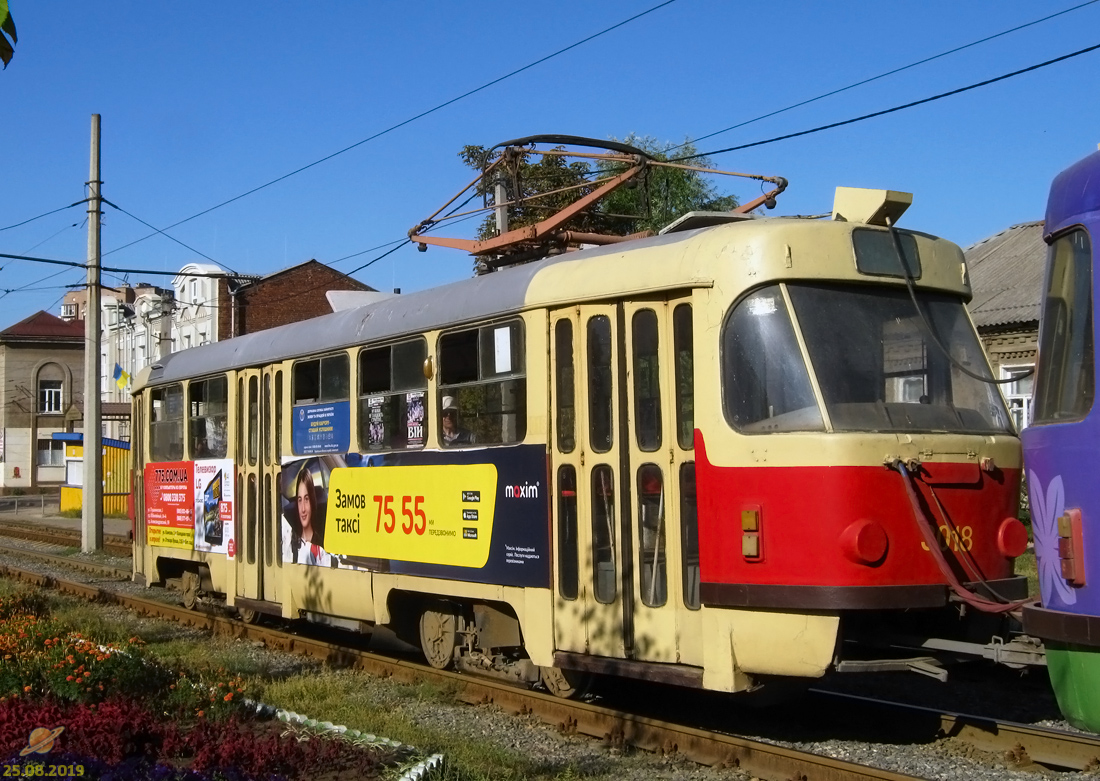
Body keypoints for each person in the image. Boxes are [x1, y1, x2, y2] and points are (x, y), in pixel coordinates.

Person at [286, 468, 331, 566]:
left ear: (312, 501)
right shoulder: (290, 542)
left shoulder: (322, 546)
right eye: (299, 500)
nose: (303, 509)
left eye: (306, 499)